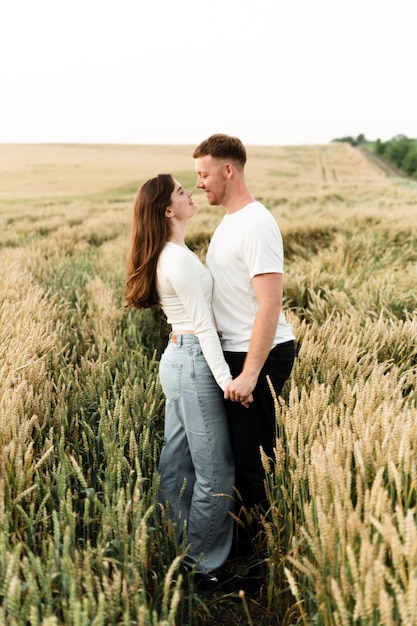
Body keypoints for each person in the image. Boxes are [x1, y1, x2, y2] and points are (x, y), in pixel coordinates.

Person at [124, 173, 252, 587]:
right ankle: (202, 569)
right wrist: (229, 382)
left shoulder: (170, 252)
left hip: (178, 359)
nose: (191, 193)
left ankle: (172, 547)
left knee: (177, 464)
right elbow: (203, 327)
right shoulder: (176, 259)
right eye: (182, 191)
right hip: (194, 361)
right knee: (216, 470)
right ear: (167, 209)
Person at [193, 134, 296, 556]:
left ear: (228, 170)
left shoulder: (255, 223)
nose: (199, 182)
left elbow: (269, 304)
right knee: (241, 456)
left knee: (254, 461)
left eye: (204, 174)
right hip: (237, 350)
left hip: (259, 354)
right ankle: (246, 548)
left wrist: (250, 373)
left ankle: (260, 564)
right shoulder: (230, 220)